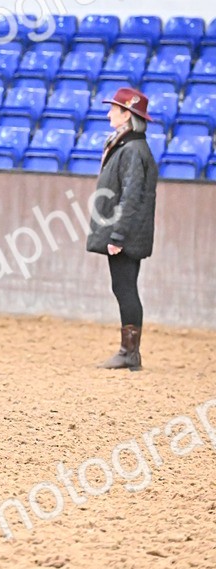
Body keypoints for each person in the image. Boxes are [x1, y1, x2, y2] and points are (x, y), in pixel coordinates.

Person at [86, 87, 158, 371]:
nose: (109, 114)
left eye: (114, 110)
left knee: (124, 287)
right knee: (124, 286)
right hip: (128, 231)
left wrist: (117, 235)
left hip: (125, 233)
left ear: (127, 115)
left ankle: (130, 353)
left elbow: (131, 196)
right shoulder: (131, 147)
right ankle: (129, 351)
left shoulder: (132, 150)